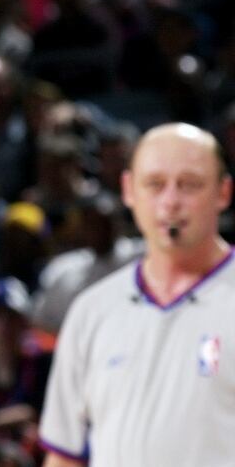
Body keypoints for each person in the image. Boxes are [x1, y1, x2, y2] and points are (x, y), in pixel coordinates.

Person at [39, 122, 235, 467]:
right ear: (129, 190)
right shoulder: (91, 311)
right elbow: (65, 455)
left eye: (189, 185)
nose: (171, 202)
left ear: (223, 192)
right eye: (155, 184)